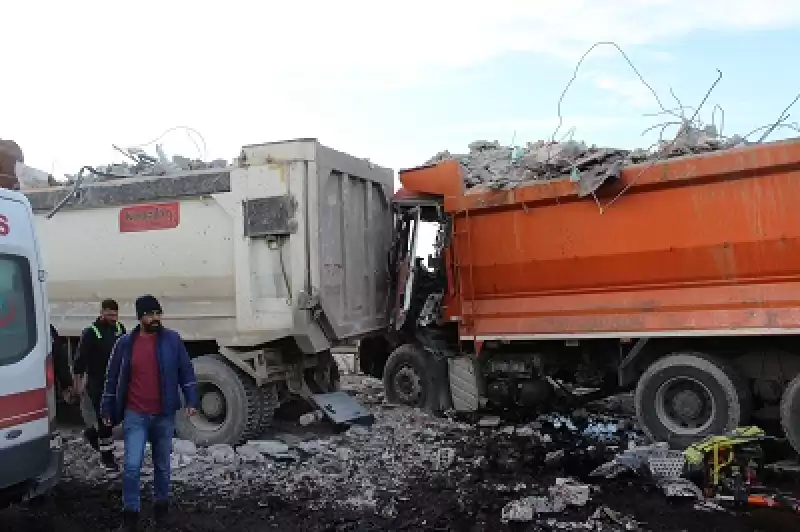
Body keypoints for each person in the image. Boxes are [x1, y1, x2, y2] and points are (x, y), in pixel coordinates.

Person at [100, 295, 197, 531]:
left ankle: (161, 510)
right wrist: (107, 407)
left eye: (158, 313)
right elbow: (111, 378)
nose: (155, 318)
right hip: (136, 415)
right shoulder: (125, 343)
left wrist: (192, 398)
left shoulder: (172, 340)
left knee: (162, 465)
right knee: (132, 466)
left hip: (164, 414)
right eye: (149, 314)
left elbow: (186, 370)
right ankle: (130, 514)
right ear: (139, 317)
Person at [73, 299, 126, 472]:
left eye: (115, 315)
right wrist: (78, 385)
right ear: (101, 312)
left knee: (117, 416)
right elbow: (80, 361)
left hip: (117, 381)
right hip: (97, 382)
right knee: (105, 420)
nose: (113, 318)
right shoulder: (91, 332)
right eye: (109, 314)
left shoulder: (120, 329)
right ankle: (107, 459)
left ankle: (92, 434)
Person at [50, 324, 74, 401]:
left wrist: (66, 384)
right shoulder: (45, 327)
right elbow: (60, 357)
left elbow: (59, 358)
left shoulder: (46, 329)